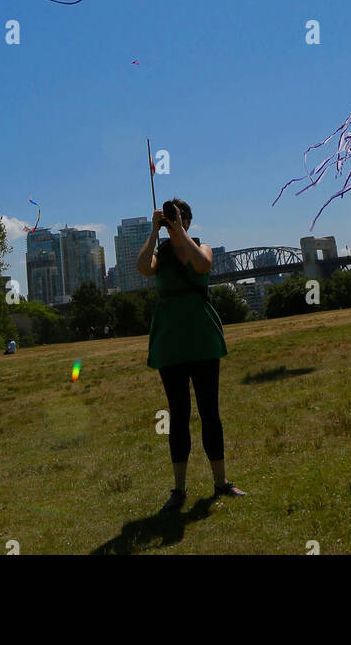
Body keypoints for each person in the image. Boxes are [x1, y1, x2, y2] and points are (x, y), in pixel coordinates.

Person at [137, 197, 245, 512]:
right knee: (179, 415)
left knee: (210, 411)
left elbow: (203, 265)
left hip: (202, 341)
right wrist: (155, 231)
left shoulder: (203, 248)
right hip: (171, 343)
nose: (174, 220)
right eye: (171, 216)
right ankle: (179, 489)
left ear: (188, 221)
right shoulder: (161, 256)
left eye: (179, 217)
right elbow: (144, 268)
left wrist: (179, 229)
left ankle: (221, 482)